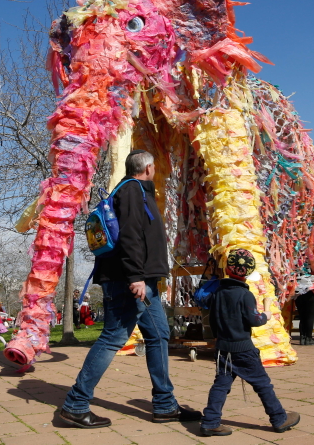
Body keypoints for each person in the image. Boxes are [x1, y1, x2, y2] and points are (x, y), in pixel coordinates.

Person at [60, 150, 201, 428]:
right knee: (113, 337)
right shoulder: (133, 190)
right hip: (131, 280)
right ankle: (75, 404)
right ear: (148, 167)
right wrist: (135, 276)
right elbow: (131, 236)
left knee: (159, 335)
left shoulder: (132, 190)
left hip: (142, 280)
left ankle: (165, 405)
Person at [200, 249, 300, 437]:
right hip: (243, 349)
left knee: (221, 385)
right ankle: (279, 418)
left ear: (228, 268)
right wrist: (267, 313)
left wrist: (218, 338)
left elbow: (212, 320)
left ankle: (210, 421)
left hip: (223, 348)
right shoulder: (245, 295)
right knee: (262, 384)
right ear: (248, 271)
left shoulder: (218, 292)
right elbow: (255, 320)